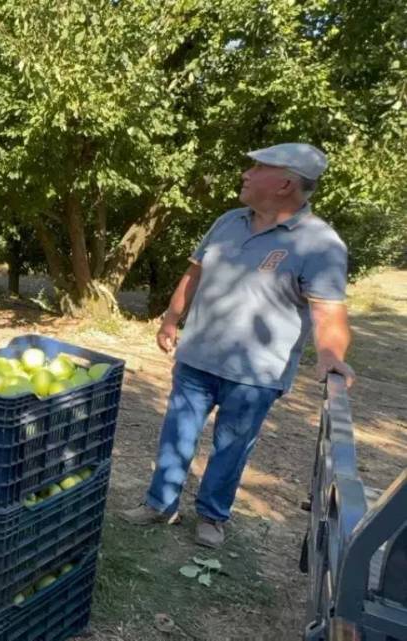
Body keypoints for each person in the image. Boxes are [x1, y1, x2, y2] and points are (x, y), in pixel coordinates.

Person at [121, 143, 355, 548]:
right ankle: (160, 504)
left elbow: (328, 312)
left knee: (231, 447)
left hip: (256, 373)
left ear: (285, 182)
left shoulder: (321, 244)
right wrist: (171, 319)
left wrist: (332, 357)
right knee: (176, 433)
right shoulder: (229, 221)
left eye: (258, 167)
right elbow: (194, 273)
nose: (246, 173)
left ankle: (212, 515)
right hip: (197, 358)